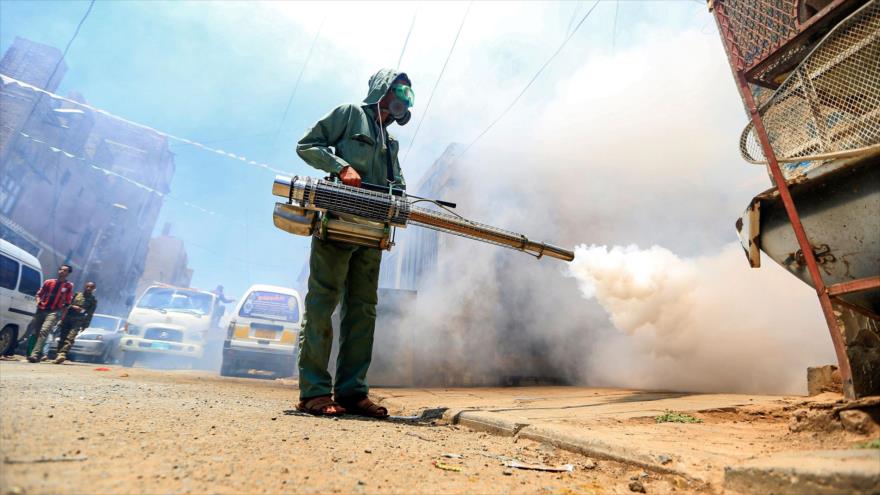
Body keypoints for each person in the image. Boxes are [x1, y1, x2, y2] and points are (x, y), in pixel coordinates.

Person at [294, 69, 413, 417]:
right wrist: (340, 165)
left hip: (372, 232)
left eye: (407, 95)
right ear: (383, 90)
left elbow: (399, 183)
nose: (403, 99)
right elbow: (307, 145)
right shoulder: (349, 115)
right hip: (338, 225)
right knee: (322, 304)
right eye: (399, 91)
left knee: (363, 311)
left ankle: (351, 392)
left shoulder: (391, 144)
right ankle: (313, 392)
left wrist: (400, 197)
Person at [28, 264, 74, 363]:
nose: (62, 271)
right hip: (41, 309)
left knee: (44, 331)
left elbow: (68, 302)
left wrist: (62, 316)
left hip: (54, 312)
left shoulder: (68, 286)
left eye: (65, 270)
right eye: (61, 269)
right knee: (37, 332)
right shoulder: (48, 282)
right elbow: (38, 294)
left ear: (68, 273)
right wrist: (38, 302)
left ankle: (34, 355)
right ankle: (39, 354)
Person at [53, 281, 98, 364]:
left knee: (70, 337)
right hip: (68, 318)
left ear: (93, 289)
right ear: (85, 286)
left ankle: (63, 354)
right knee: (62, 336)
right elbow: (67, 304)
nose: (88, 288)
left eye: (91, 287)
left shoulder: (93, 301)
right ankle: (58, 354)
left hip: (78, 321)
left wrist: (85, 325)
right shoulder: (77, 295)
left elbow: (90, 314)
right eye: (87, 286)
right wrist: (73, 307)